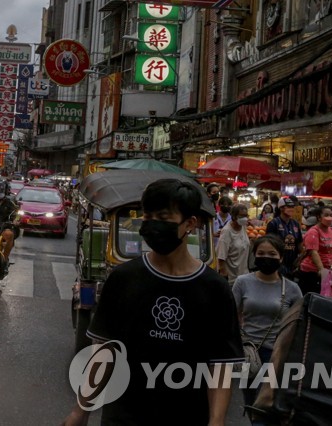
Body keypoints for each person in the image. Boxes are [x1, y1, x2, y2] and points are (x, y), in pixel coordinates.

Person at [64, 177, 243, 426]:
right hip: (124, 416)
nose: (151, 224)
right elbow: (104, 352)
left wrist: (216, 421)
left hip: (188, 416)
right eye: (147, 217)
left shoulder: (215, 289)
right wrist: (81, 410)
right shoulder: (123, 278)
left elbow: (220, 367)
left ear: (189, 223)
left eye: (163, 217)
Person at [232, 236, 304, 411]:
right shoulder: (242, 282)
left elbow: (299, 322)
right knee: (250, 402)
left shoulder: (292, 289)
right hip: (249, 354)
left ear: (280, 257)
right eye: (261, 253)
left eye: (272, 254)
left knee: (267, 406)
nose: (266, 257)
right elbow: (230, 316)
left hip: (277, 355)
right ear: (255, 256)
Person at [297, 206, 332, 296]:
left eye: (331, 215)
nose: (329, 217)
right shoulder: (313, 232)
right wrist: (321, 269)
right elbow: (313, 252)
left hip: (329, 270)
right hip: (312, 272)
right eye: (326, 215)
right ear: (319, 217)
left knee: (327, 296)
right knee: (312, 298)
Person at [266, 196, 303, 276]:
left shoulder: (295, 224)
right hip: (277, 263)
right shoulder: (273, 224)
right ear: (281, 208)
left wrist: (301, 257)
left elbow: (299, 243)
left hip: (293, 263)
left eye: (293, 207)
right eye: (289, 207)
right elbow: (269, 244)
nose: (292, 209)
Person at [217, 203, 251, 284]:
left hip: (244, 275)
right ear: (234, 216)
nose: (245, 218)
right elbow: (221, 257)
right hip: (232, 279)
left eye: (246, 215)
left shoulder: (243, 227)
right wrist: (224, 275)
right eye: (241, 216)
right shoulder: (227, 232)